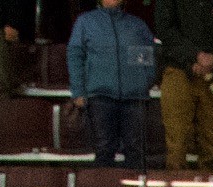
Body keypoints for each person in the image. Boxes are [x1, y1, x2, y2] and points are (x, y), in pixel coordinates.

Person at [67, 0, 159, 171]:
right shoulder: (85, 22)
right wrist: (78, 91)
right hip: (100, 97)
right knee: (104, 149)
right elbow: (75, 55)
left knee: (135, 151)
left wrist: (143, 82)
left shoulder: (137, 25)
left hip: (134, 98)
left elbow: (148, 57)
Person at [152, 0, 213, 173]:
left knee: (212, 144)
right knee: (177, 143)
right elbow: (165, 31)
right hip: (177, 72)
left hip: (212, 77)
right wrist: (195, 57)